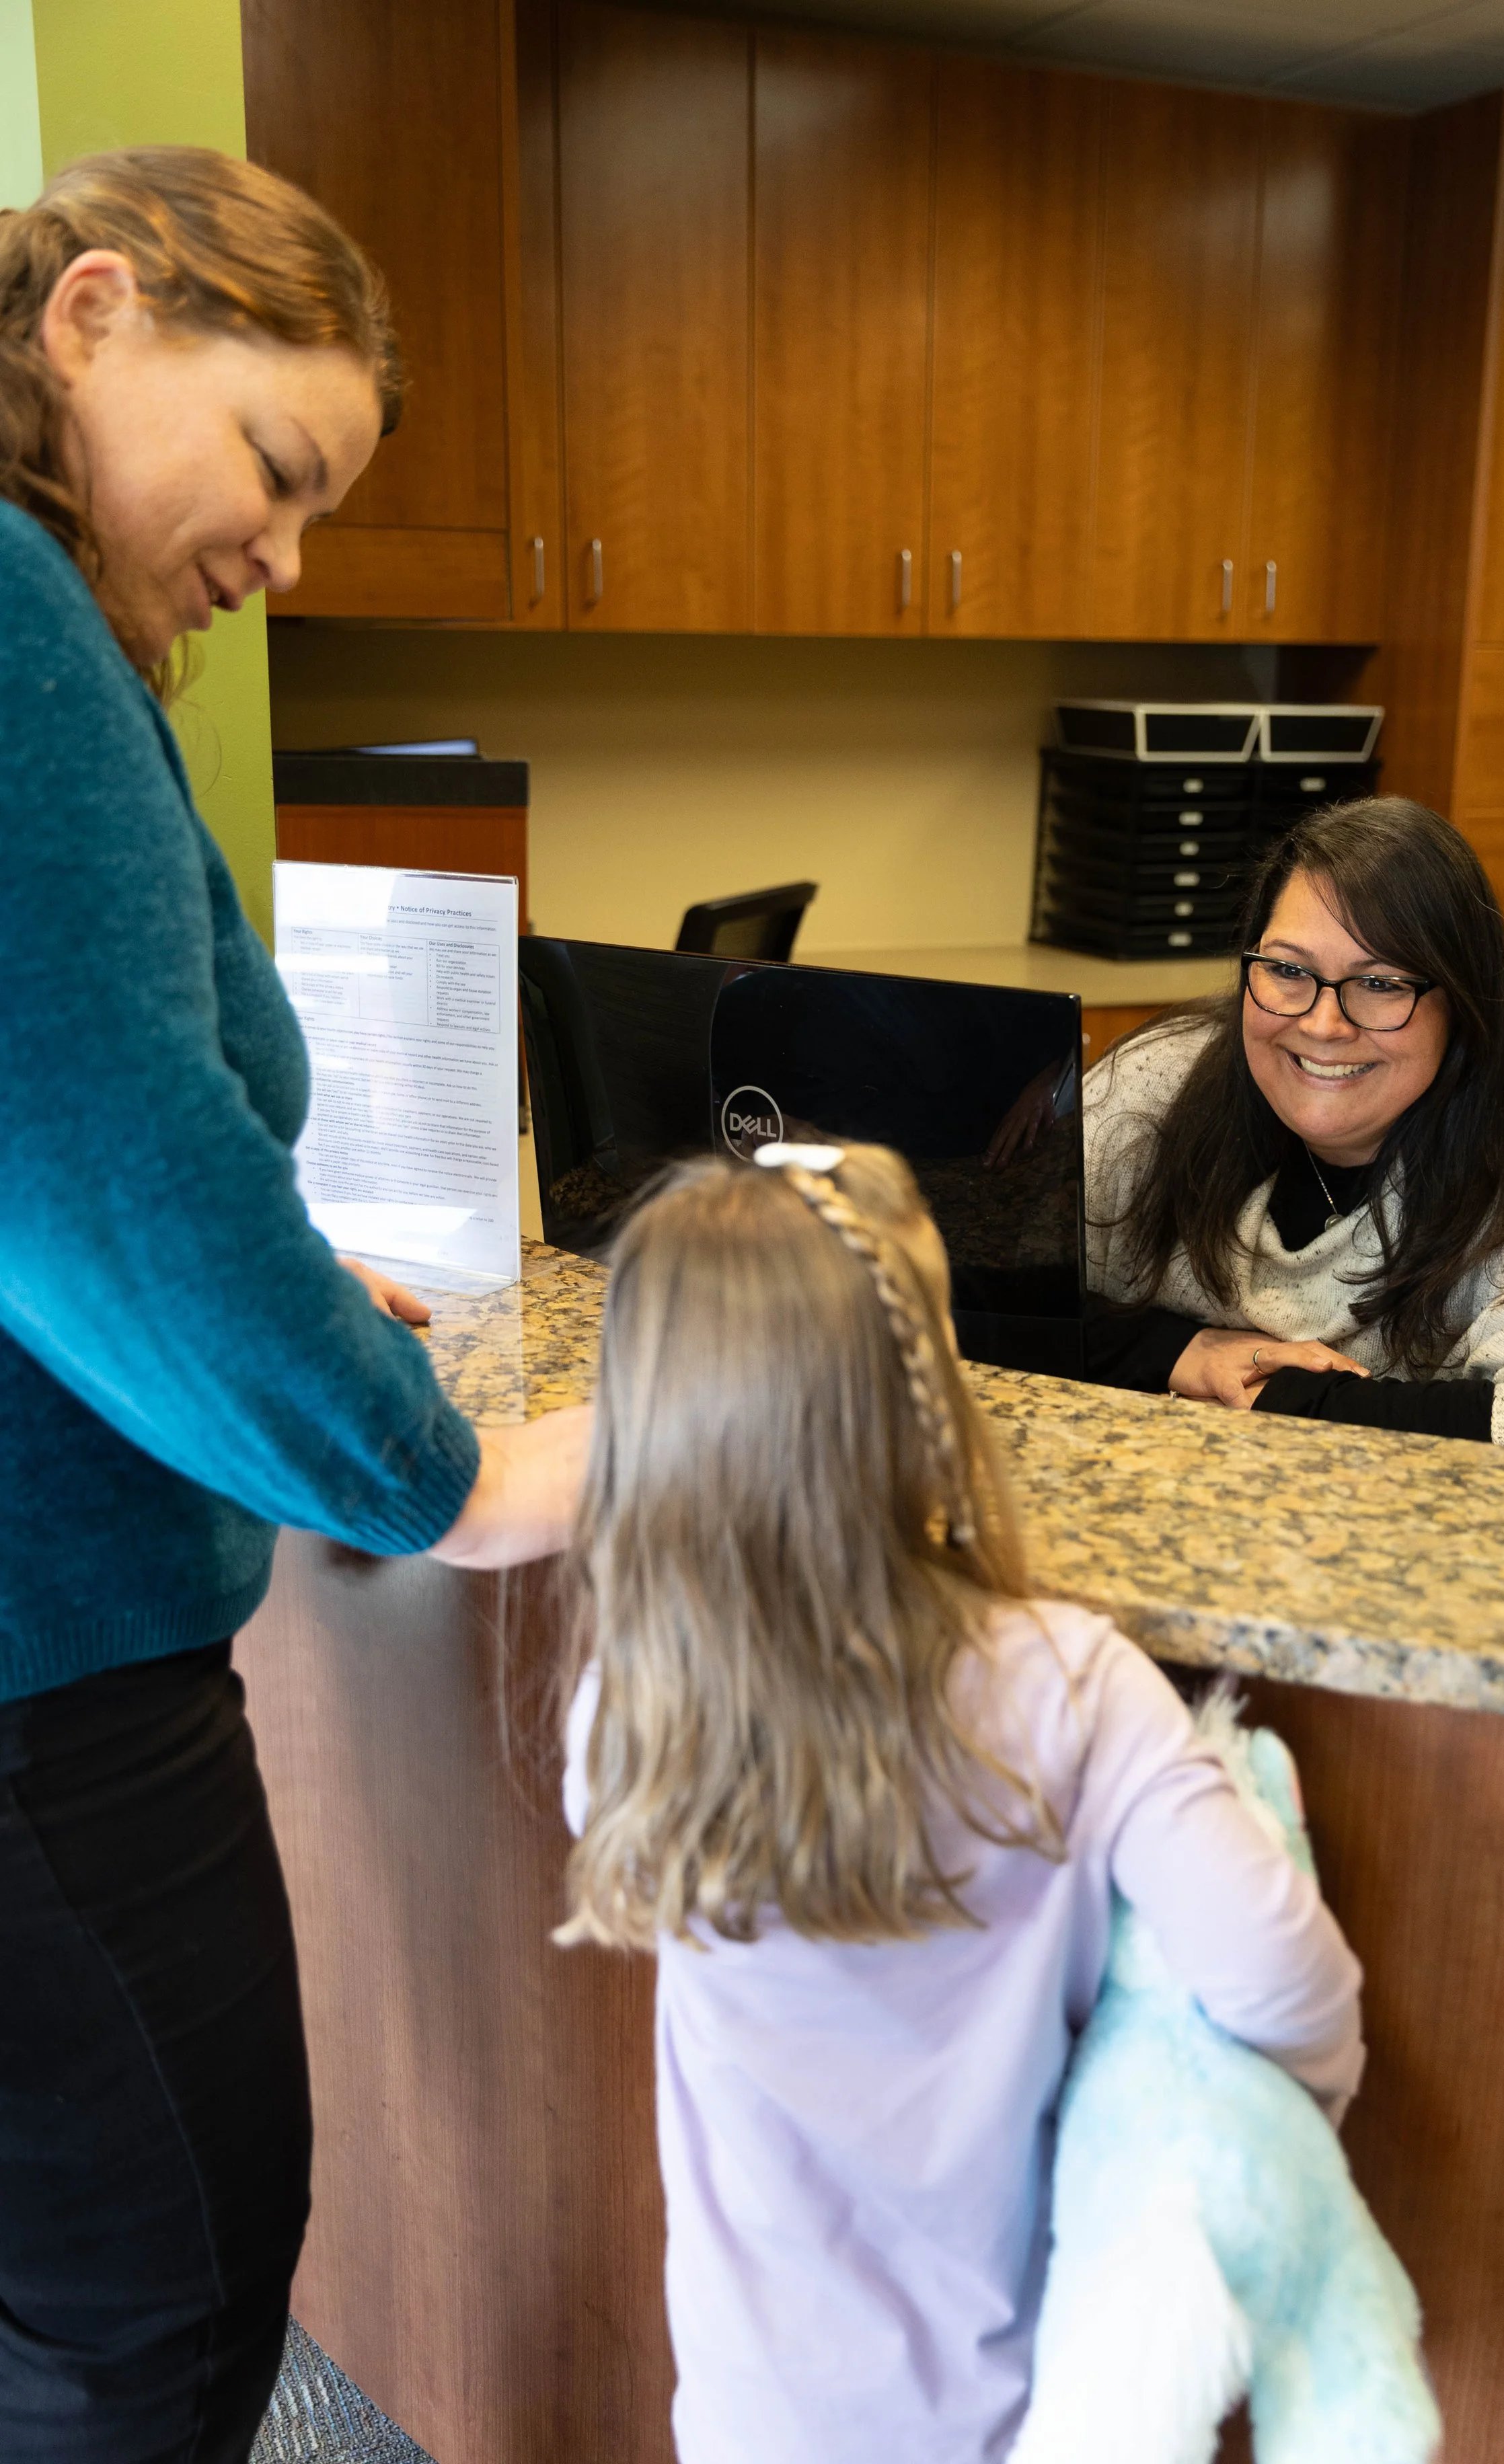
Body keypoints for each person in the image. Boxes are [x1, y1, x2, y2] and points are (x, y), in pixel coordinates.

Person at [0, 149, 587, 2461]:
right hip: (44, 1685)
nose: (287, 554)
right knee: (159, 2319)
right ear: (98, 316)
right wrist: (445, 1475)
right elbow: (106, 1163)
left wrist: (275, 1292)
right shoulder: (16, 626)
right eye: (277, 466)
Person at [556, 1141, 1363, 2464]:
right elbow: (1294, 1996)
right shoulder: (1069, 1684)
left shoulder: (631, 1712)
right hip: (1027, 2403)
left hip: (751, 2408)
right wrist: (1239, 2148)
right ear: (924, 1401)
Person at [1083, 798, 1504, 1455]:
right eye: (1286, 969)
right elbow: (958, 1299)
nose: (1323, 1024)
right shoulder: (1153, 1083)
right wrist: (1179, 1349)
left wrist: (1277, 1394)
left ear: (1463, 1002)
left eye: (1382, 983)